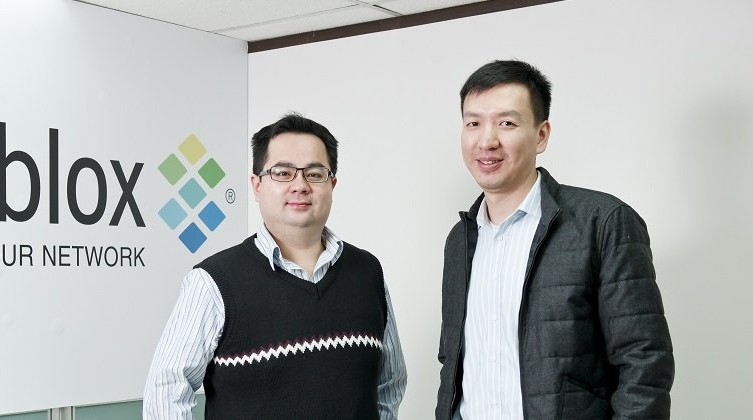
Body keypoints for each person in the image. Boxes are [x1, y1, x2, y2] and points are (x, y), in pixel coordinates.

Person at [436, 60, 674, 420]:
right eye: (473, 123)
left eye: (507, 123)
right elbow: (453, 364)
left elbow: (644, 362)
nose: (487, 140)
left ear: (541, 135)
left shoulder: (602, 221)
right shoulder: (461, 239)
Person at [144, 113, 407, 419]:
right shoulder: (213, 282)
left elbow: (390, 383)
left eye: (315, 174)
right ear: (257, 186)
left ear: (332, 184)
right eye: (283, 173)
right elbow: (166, 392)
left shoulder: (368, 273)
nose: (300, 185)